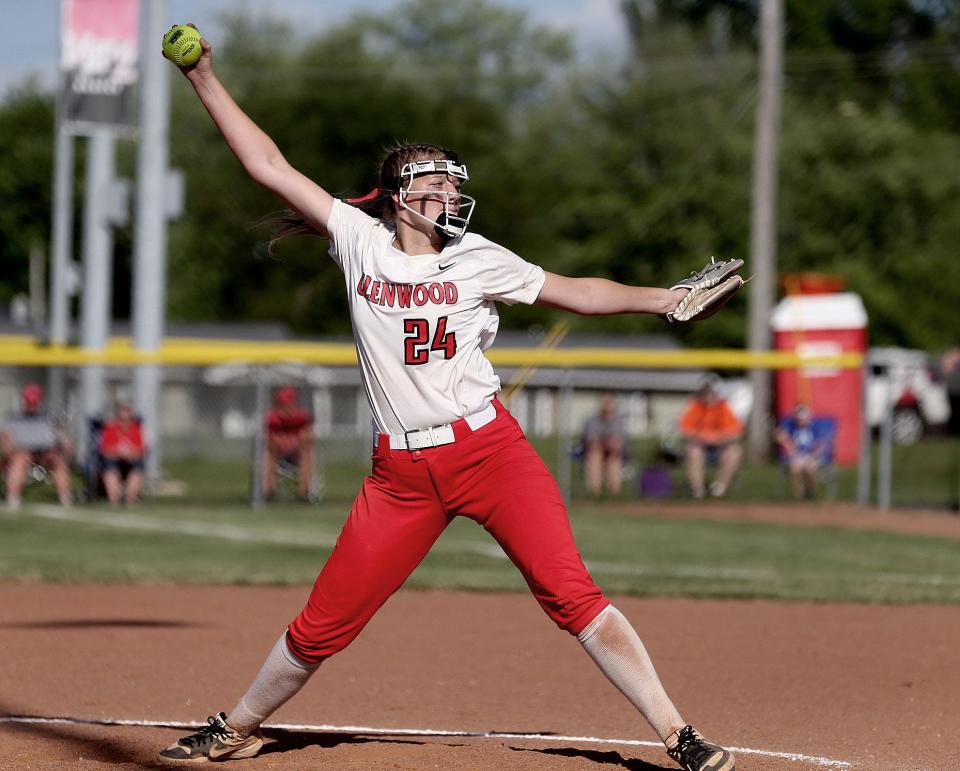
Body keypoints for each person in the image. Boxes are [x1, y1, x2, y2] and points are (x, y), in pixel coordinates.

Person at [156, 29, 735, 771]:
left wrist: (665, 299)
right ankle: (234, 724)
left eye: (455, 188)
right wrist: (203, 75)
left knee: (571, 592)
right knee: (323, 623)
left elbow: (579, 292)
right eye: (437, 187)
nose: (451, 197)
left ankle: (678, 734)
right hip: (400, 478)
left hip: (490, 451)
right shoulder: (359, 240)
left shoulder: (477, 257)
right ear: (401, 195)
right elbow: (266, 164)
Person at [0, 383, 73, 509]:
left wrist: (64, 446)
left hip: (46, 453)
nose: (31, 405)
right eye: (29, 402)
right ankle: (12, 498)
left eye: (34, 402)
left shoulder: (49, 418)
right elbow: (6, 443)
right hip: (23, 453)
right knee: (19, 461)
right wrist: (10, 452)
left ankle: (65, 498)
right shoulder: (13, 420)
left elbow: (65, 440)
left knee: (58, 462)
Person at [678, 378, 743, 499]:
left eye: (711, 391)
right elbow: (684, 430)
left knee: (735, 452)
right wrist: (702, 437)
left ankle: (719, 489)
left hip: (720, 447)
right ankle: (698, 491)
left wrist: (717, 439)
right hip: (700, 446)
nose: (708, 395)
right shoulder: (695, 405)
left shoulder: (724, 406)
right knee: (694, 452)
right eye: (705, 391)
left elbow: (735, 432)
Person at [262, 386, 314, 501]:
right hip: (278, 455)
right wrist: (280, 442)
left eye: (288, 404)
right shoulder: (272, 418)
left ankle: (304, 492)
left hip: (297, 455)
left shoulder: (302, 418)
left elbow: (310, 437)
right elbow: (266, 438)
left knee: (306, 451)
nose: (286, 408)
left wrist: (295, 443)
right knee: (268, 452)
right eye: (283, 404)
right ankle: (268, 492)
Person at [774, 403, 832, 500]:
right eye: (799, 419)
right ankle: (799, 495)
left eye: (804, 419)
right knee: (795, 468)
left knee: (809, 468)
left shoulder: (815, 427)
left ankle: (811, 492)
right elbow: (781, 438)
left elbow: (821, 444)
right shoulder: (791, 426)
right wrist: (784, 440)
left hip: (812, 456)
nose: (802, 421)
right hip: (796, 456)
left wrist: (812, 456)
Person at [99, 401, 147, 506]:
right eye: (121, 419)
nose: (124, 422)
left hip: (131, 460)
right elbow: (104, 449)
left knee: (139, 464)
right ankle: (114, 498)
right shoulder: (110, 428)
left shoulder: (136, 429)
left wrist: (130, 454)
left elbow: (142, 449)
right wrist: (118, 453)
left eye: (127, 419)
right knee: (109, 465)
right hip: (114, 460)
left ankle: (130, 497)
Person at [582, 393, 627, 497]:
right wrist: (605, 443)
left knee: (614, 460)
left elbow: (619, 444)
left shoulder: (618, 422)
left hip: (613, 454)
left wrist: (611, 444)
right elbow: (591, 442)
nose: (607, 406)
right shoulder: (593, 421)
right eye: (604, 403)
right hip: (597, 453)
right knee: (594, 456)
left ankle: (613, 496)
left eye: (609, 403)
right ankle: (594, 494)